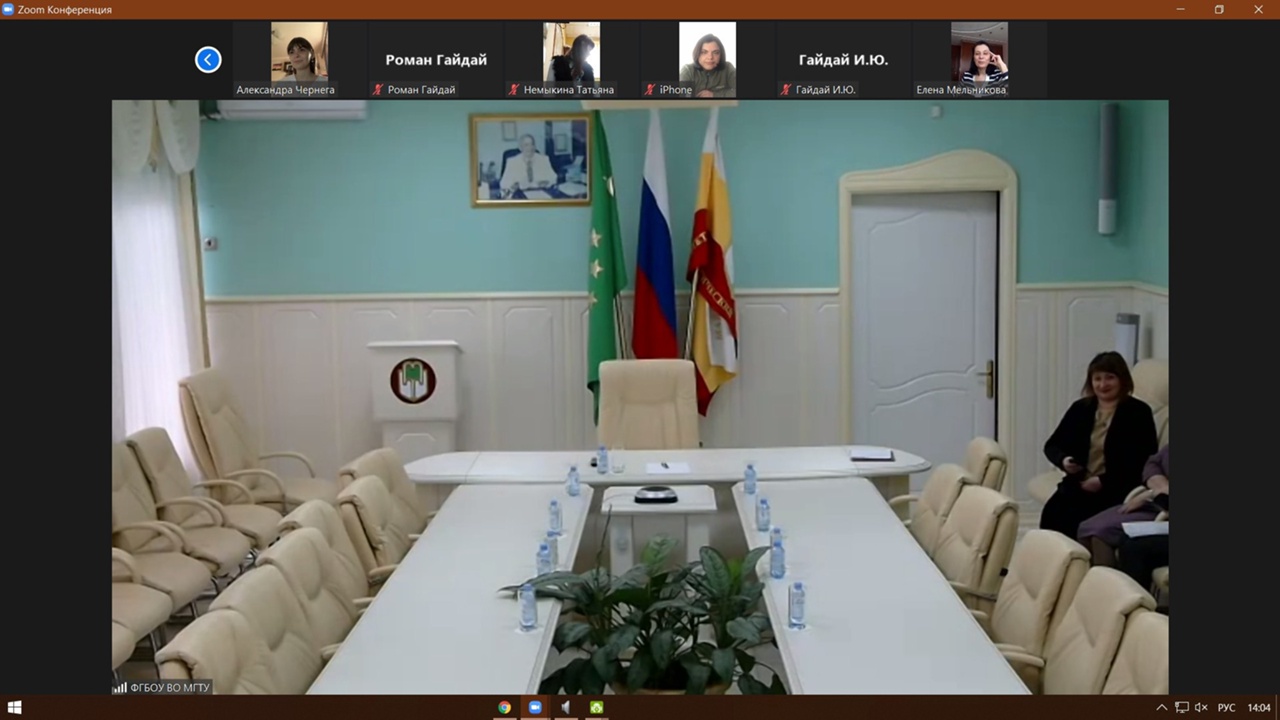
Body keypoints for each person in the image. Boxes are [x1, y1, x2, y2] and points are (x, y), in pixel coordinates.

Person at [1038, 351, 1159, 540]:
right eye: (1097, 379)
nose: (1103, 385)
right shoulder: (1080, 409)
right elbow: (1052, 445)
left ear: (1122, 380)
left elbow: (1144, 461)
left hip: (1115, 489)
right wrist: (1064, 460)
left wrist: (1103, 481)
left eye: (1109, 378)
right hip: (1077, 485)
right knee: (1052, 516)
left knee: (1078, 524)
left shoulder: (1138, 413)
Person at [1077, 445, 1170, 566]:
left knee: (1101, 532)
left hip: (1163, 510)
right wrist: (1158, 483)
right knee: (1086, 527)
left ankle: (1107, 577)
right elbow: (1153, 462)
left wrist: (1152, 494)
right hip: (1153, 502)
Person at [679, 34, 736, 98]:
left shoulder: (728, 68)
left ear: (721, 54)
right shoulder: (688, 71)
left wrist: (714, 95)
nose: (710, 57)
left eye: (715, 53)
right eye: (704, 52)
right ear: (697, 53)